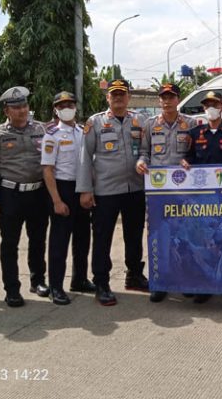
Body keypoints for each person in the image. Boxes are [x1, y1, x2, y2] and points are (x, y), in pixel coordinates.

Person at [77, 79, 149, 306]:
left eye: (122, 94)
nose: (118, 98)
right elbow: (85, 157)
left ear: (128, 97)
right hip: (106, 190)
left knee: (134, 234)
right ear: (107, 98)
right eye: (114, 94)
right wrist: (85, 190)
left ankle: (134, 274)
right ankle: (101, 282)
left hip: (135, 188)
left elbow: (146, 150)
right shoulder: (95, 122)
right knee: (102, 237)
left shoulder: (140, 120)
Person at [0, 86, 50, 308]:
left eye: (24, 106)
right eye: (16, 107)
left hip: (38, 193)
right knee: (10, 244)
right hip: (11, 194)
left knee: (38, 239)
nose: (21, 111)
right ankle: (12, 289)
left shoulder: (41, 129)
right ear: (6, 111)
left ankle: (38, 280)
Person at [136, 82, 198, 303]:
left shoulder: (190, 124)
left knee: (186, 236)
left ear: (178, 99)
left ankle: (188, 281)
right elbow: (144, 152)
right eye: (163, 97)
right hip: (158, 192)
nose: (167, 100)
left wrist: (189, 160)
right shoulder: (151, 125)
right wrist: (141, 162)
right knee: (158, 237)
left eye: (171, 97)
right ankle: (160, 282)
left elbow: (195, 154)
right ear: (159, 100)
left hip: (184, 191)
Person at [181, 90, 222, 304]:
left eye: (215, 104)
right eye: (207, 105)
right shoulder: (195, 132)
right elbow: (187, 157)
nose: (211, 109)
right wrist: (184, 163)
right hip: (202, 198)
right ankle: (203, 287)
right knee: (202, 240)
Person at [41, 91, 94, 306]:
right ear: (56, 110)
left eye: (70, 104)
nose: (66, 108)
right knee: (59, 241)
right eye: (62, 105)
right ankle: (56, 286)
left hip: (82, 188)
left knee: (82, 238)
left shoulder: (83, 131)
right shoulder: (51, 134)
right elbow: (47, 170)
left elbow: (90, 162)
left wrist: (89, 190)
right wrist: (56, 200)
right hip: (61, 189)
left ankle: (79, 279)